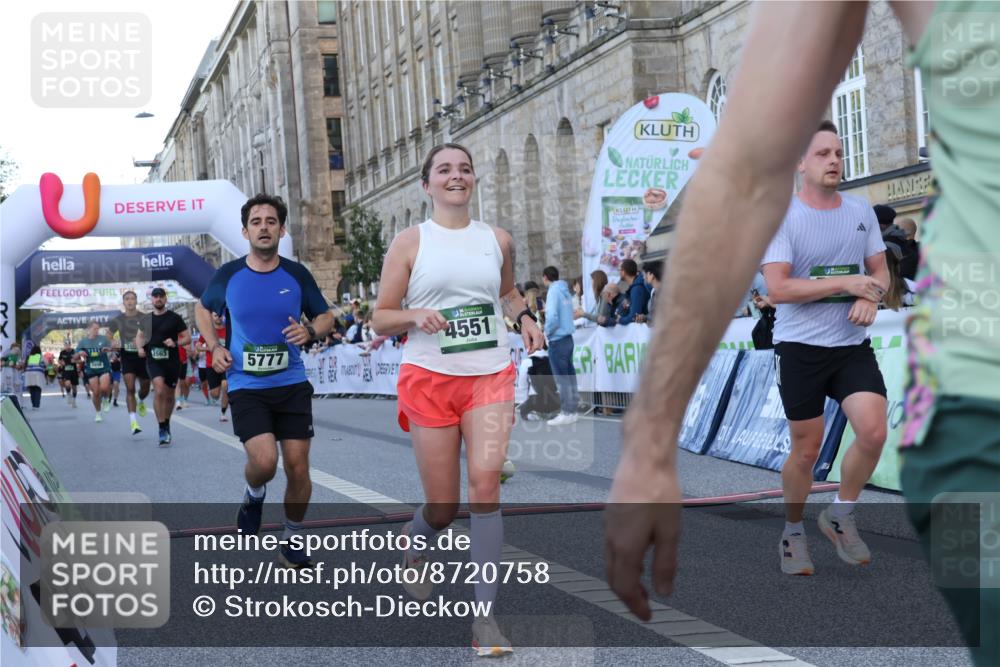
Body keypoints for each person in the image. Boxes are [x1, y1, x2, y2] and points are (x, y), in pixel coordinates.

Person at [605, 4, 999, 666]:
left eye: (840, 150)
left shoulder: (857, 213)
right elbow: (747, 176)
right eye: (825, 150)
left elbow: (879, 269)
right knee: (806, 444)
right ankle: (794, 527)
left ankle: (839, 511)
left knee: (872, 429)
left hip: (857, 344)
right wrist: (649, 444)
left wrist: (873, 290)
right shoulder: (789, 211)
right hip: (906, 369)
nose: (837, 160)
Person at [372, 144, 544, 657]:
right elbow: (381, 316)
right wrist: (412, 316)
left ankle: (485, 619)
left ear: (473, 180)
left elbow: (509, 294)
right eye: (444, 170)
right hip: (430, 377)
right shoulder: (409, 243)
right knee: (444, 507)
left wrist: (525, 317)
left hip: (489, 376)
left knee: (486, 486)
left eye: (465, 169)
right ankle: (416, 537)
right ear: (426, 185)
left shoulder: (497, 239)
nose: (456, 176)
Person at [196, 193, 334, 570]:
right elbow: (203, 309)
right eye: (256, 222)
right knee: (264, 462)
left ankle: (292, 538)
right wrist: (213, 345)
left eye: (271, 221)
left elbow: (326, 317)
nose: (263, 227)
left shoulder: (296, 274)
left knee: (298, 465)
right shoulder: (229, 275)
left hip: (290, 383)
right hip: (247, 385)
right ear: (245, 231)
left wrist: (310, 330)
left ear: (281, 229)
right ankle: (254, 493)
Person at [136, 287, 189, 445]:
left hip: (172, 361)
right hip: (154, 360)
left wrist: (176, 342)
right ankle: (161, 427)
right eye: (155, 296)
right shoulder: (146, 319)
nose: (158, 299)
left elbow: (187, 338)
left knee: (169, 395)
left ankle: (166, 423)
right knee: (159, 389)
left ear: (165, 299)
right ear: (151, 300)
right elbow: (139, 336)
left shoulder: (175, 318)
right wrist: (139, 348)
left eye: (161, 296)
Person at [110, 290, 152, 435]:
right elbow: (109, 333)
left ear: (136, 301)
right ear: (124, 302)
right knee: (130, 389)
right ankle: (133, 422)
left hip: (143, 356)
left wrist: (142, 341)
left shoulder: (144, 317)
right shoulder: (118, 319)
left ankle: (140, 400)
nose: (129, 301)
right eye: (127, 299)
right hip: (127, 357)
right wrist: (112, 341)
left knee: (145, 388)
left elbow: (152, 334)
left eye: (132, 298)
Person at [541, 266, 579, 426]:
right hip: (568, 337)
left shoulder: (553, 292)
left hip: (557, 338)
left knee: (561, 378)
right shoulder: (565, 291)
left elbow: (552, 316)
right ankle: (572, 410)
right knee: (569, 376)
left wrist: (546, 332)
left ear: (545, 277)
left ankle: (566, 411)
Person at [75, 321, 114, 422]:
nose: (97, 331)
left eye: (98, 329)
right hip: (91, 369)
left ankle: (106, 399)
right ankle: (98, 413)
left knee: (105, 387)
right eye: (95, 329)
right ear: (89, 330)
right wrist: (80, 352)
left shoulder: (103, 339)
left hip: (103, 367)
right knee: (96, 392)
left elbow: (111, 347)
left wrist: (108, 349)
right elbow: (75, 355)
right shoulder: (83, 342)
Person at [204, 311, 231, 422]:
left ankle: (223, 412)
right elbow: (198, 347)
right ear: (212, 317)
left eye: (220, 315)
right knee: (215, 394)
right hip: (212, 364)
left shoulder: (228, 331)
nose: (218, 318)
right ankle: (216, 396)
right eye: (216, 315)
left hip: (226, 363)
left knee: (225, 385)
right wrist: (213, 348)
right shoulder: (208, 332)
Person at [23, 345, 45, 410]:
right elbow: (44, 364)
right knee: (37, 388)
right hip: (37, 374)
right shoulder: (40, 357)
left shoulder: (29, 357)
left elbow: (25, 365)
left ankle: (33, 404)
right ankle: (36, 405)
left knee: (32, 389)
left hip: (29, 374)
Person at [57, 340, 78, 408]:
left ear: (70, 345)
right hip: (66, 371)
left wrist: (75, 361)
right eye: (65, 345)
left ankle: (74, 400)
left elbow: (80, 360)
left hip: (74, 371)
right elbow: (59, 360)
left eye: (68, 345)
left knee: (74, 388)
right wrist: (61, 363)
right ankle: (68, 394)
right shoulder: (62, 352)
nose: (67, 346)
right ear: (64, 345)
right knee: (67, 384)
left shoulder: (74, 351)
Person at [641, 261, 663, 326]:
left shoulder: (663, 292)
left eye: (645, 274)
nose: (644, 277)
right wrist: (645, 318)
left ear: (652, 275)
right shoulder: (654, 292)